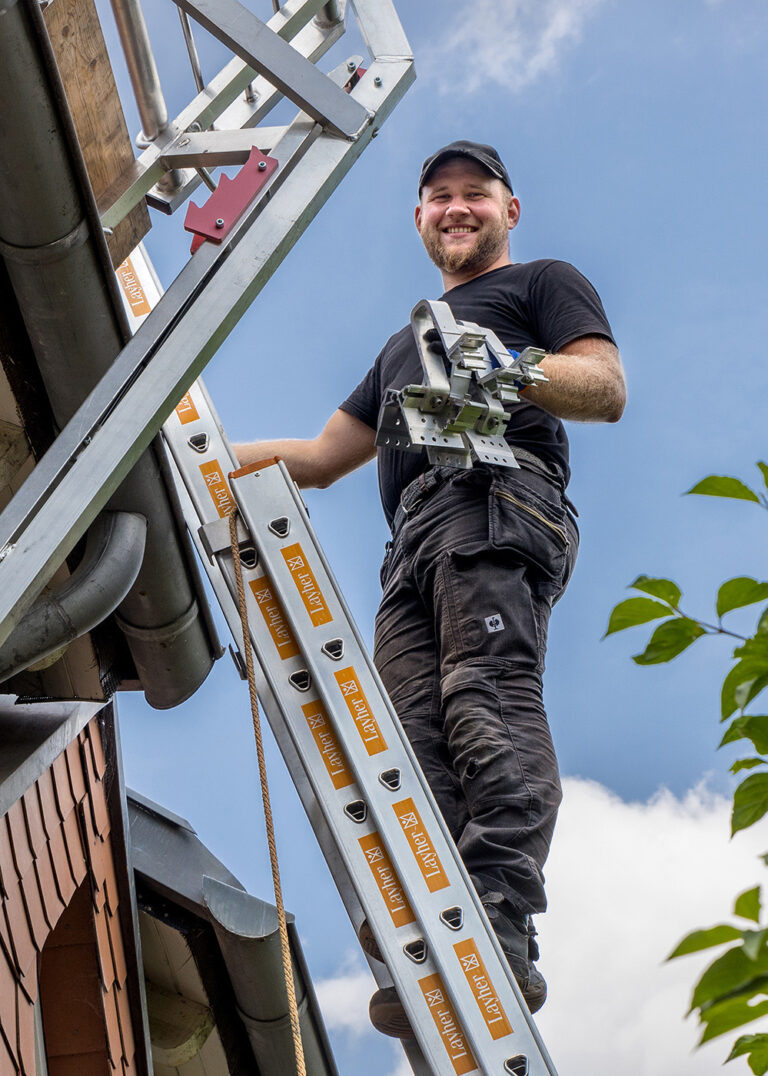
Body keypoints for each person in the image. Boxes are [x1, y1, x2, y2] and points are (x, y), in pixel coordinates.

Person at [235, 140, 626, 1036]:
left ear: (509, 210)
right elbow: (323, 459)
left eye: (474, 195)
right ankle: (433, 928)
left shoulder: (540, 284)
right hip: (411, 537)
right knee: (409, 744)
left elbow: (604, 388)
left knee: (483, 700)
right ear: (418, 219)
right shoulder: (402, 346)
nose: (456, 208)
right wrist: (186, 452)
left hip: (495, 496)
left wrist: (510, 367)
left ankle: (498, 918)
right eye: (438, 197)